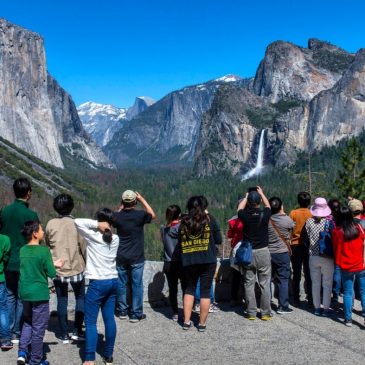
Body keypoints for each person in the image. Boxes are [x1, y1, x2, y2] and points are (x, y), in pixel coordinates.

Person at [75, 209, 120, 365]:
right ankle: (108, 355)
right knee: (109, 319)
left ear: (100, 221)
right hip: (113, 281)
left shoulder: (94, 237)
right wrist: (103, 225)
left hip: (97, 283)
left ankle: (89, 358)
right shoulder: (116, 238)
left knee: (91, 322)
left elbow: (77, 222)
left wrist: (96, 224)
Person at [17, 221, 63, 365]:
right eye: (41, 230)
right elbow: (51, 272)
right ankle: (35, 360)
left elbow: (32, 265)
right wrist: (56, 265)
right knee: (38, 328)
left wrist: (49, 263)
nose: (43, 232)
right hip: (40, 295)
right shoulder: (43, 251)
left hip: (25, 293)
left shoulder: (22, 250)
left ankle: (22, 352)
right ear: (35, 234)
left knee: (27, 323)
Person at [0, 178, 39, 343]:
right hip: (25, 261)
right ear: (28, 193)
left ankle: (7, 330)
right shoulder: (31, 215)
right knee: (21, 297)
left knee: (9, 295)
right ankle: (17, 331)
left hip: (8, 261)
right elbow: (36, 239)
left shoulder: (5, 212)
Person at [45, 194, 86, 343]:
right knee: (80, 297)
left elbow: (48, 243)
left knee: (61, 300)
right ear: (71, 206)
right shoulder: (77, 223)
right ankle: (77, 330)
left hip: (58, 267)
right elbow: (83, 246)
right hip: (76, 266)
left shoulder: (50, 224)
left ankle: (63, 334)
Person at [179, 196, 222, 332]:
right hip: (208, 260)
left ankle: (186, 321)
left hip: (189, 260)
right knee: (205, 291)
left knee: (189, 289)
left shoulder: (184, 221)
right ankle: (202, 324)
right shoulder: (210, 220)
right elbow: (219, 240)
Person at [114, 190, 156, 322]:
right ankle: (136, 313)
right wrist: (142, 198)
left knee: (121, 284)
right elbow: (152, 215)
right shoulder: (140, 215)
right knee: (136, 285)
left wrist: (120, 208)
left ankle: (122, 311)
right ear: (135, 202)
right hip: (137, 256)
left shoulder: (117, 216)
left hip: (121, 255)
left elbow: (113, 218)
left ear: (122, 202)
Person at [237, 186, 272, 321]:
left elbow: (239, 208)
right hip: (263, 251)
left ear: (249, 202)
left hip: (249, 252)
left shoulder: (244, 216)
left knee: (249, 283)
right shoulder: (265, 214)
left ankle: (251, 312)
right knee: (265, 283)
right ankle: (265, 313)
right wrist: (262, 193)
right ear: (259, 202)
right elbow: (268, 205)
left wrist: (246, 197)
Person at [332, 206, 365, 327]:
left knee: (347, 292)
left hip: (346, 266)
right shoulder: (359, 228)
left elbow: (336, 249)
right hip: (360, 264)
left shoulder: (337, 231)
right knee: (363, 292)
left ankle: (348, 319)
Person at [303, 197, 334, 316]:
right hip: (327, 256)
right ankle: (326, 308)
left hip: (313, 256)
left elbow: (305, 240)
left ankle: (317, 308)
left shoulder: (309, 222)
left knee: (315, 283)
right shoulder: (329, 223)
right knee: (327, 283)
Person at [268, 197, 294, 314]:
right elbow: (292, 228)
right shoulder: (287, 220)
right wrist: (282, 213)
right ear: (281, 207)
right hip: (282, 252)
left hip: (268, 252)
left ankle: (266, 304)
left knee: (267, 279)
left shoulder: (266, 219)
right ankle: (283, 306)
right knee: (283, 279)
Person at [160, 205, 185, 321]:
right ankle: (186, 311)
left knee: (172, 289)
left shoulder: (163, 229)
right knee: (186, 288)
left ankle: (175, 312)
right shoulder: (182, 227)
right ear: (179, 215)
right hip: (182, 262)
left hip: (168, 263)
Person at [289, 192, 313, 307]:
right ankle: (311, 298)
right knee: (309, 272)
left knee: (296, 272)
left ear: (298, 201)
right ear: (309, 202)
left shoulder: (293, 213)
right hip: (309, 246)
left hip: (296, 244)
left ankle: (296, 298)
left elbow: (289, 227)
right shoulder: (312, 213)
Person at [227, 201, 244, 308]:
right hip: (249, 249)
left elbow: (229, 235)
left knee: (236, 276)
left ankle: (233, 299)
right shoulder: (251, 218)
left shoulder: (233, 220)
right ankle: (248, 300)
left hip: (236, 250)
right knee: (248, 277)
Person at [0, 222, 12, 350]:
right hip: (0, 277)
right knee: (2, 308)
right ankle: (5, 339)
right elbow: (6, 258)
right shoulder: (5, 239)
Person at [328, 199, 342, 304]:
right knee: (339, 271)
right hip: (341, 248)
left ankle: (334, 294)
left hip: (330, 248)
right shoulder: (343, 219)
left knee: (332, 272)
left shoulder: (328, 220)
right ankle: (338, 292)